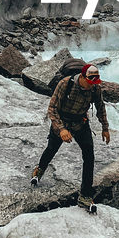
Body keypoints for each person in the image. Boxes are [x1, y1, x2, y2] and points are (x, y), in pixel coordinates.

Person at [31, 63, 110, 213]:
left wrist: (105, 128)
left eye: (94, 83)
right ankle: (39, 170)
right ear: (82, 77)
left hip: (81, 122)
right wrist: (61, 129)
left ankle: (85, 196)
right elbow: (52, 109)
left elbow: (100, 107)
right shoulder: (65, 84)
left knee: (89, 155)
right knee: (51, 149)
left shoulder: (95, 88)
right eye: (89, 82)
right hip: (62, 121)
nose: (91, 86)